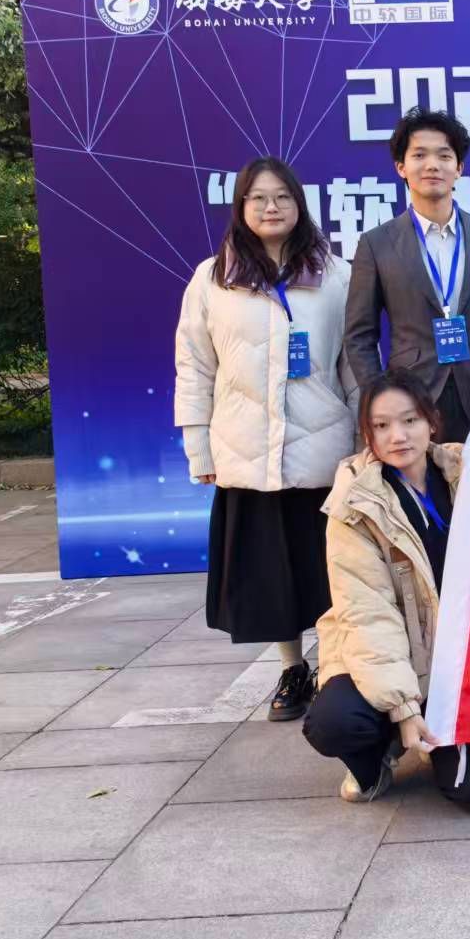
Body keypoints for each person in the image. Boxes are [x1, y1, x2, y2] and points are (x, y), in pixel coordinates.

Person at [174, 156, 356, 722]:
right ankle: (292, 668)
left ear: (299, 204)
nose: (271, 207)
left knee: (330, 568)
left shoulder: (336, 275)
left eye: (282, 196)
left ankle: (337, 668)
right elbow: (194, 367)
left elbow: (354, 363)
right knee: (272, 574)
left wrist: (364, 443)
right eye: (258, 197)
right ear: (241, 207)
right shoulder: (212, 278)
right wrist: (199, 446)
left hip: (324, 449)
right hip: (247, 449)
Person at [302, 368, 470, 809]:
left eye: (410, 420)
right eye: (381, 425)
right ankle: (374, 760)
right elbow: (368, 615)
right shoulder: (354, 505)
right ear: (368, 435)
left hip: (453, 664)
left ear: (431, 422)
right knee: (336, 722)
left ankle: (429, 732)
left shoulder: (468, 472)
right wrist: (404, 708)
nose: (397, 436)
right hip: (379, 655)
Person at [344, 109, 470, 443]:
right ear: (401, 167)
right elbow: (360, 335)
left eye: (444, 156)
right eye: (419, 155)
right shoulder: (377, 244)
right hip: (410, 397)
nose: (432, 165)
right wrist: (378, 398)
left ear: (459, 168)